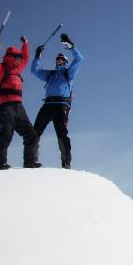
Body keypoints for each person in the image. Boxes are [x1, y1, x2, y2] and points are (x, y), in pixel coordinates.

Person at [27, 33, 83, 170]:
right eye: (58, 59)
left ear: (66, 62)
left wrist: (70, 47)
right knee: (35, 132)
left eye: (62, 60)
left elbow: (80, 59)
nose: (59, 61)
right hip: (47, 105)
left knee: (62, 134)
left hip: (61, 105)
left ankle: (66, 162)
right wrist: (37, 56)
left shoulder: (68, 73)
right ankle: (30, 159)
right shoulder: (51, 75)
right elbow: (34, 70)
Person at [0, 35, 39, 170]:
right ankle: (1, 163)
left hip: (19, 106)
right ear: (10, 56)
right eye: (17, 57)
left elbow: (26, 57)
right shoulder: (0, 69)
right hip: (6, 106)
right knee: (6, 133)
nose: (20, 60)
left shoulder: (18, 69)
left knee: (31, 135)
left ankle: (29, 162)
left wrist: (25, 43)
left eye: (19, 57)